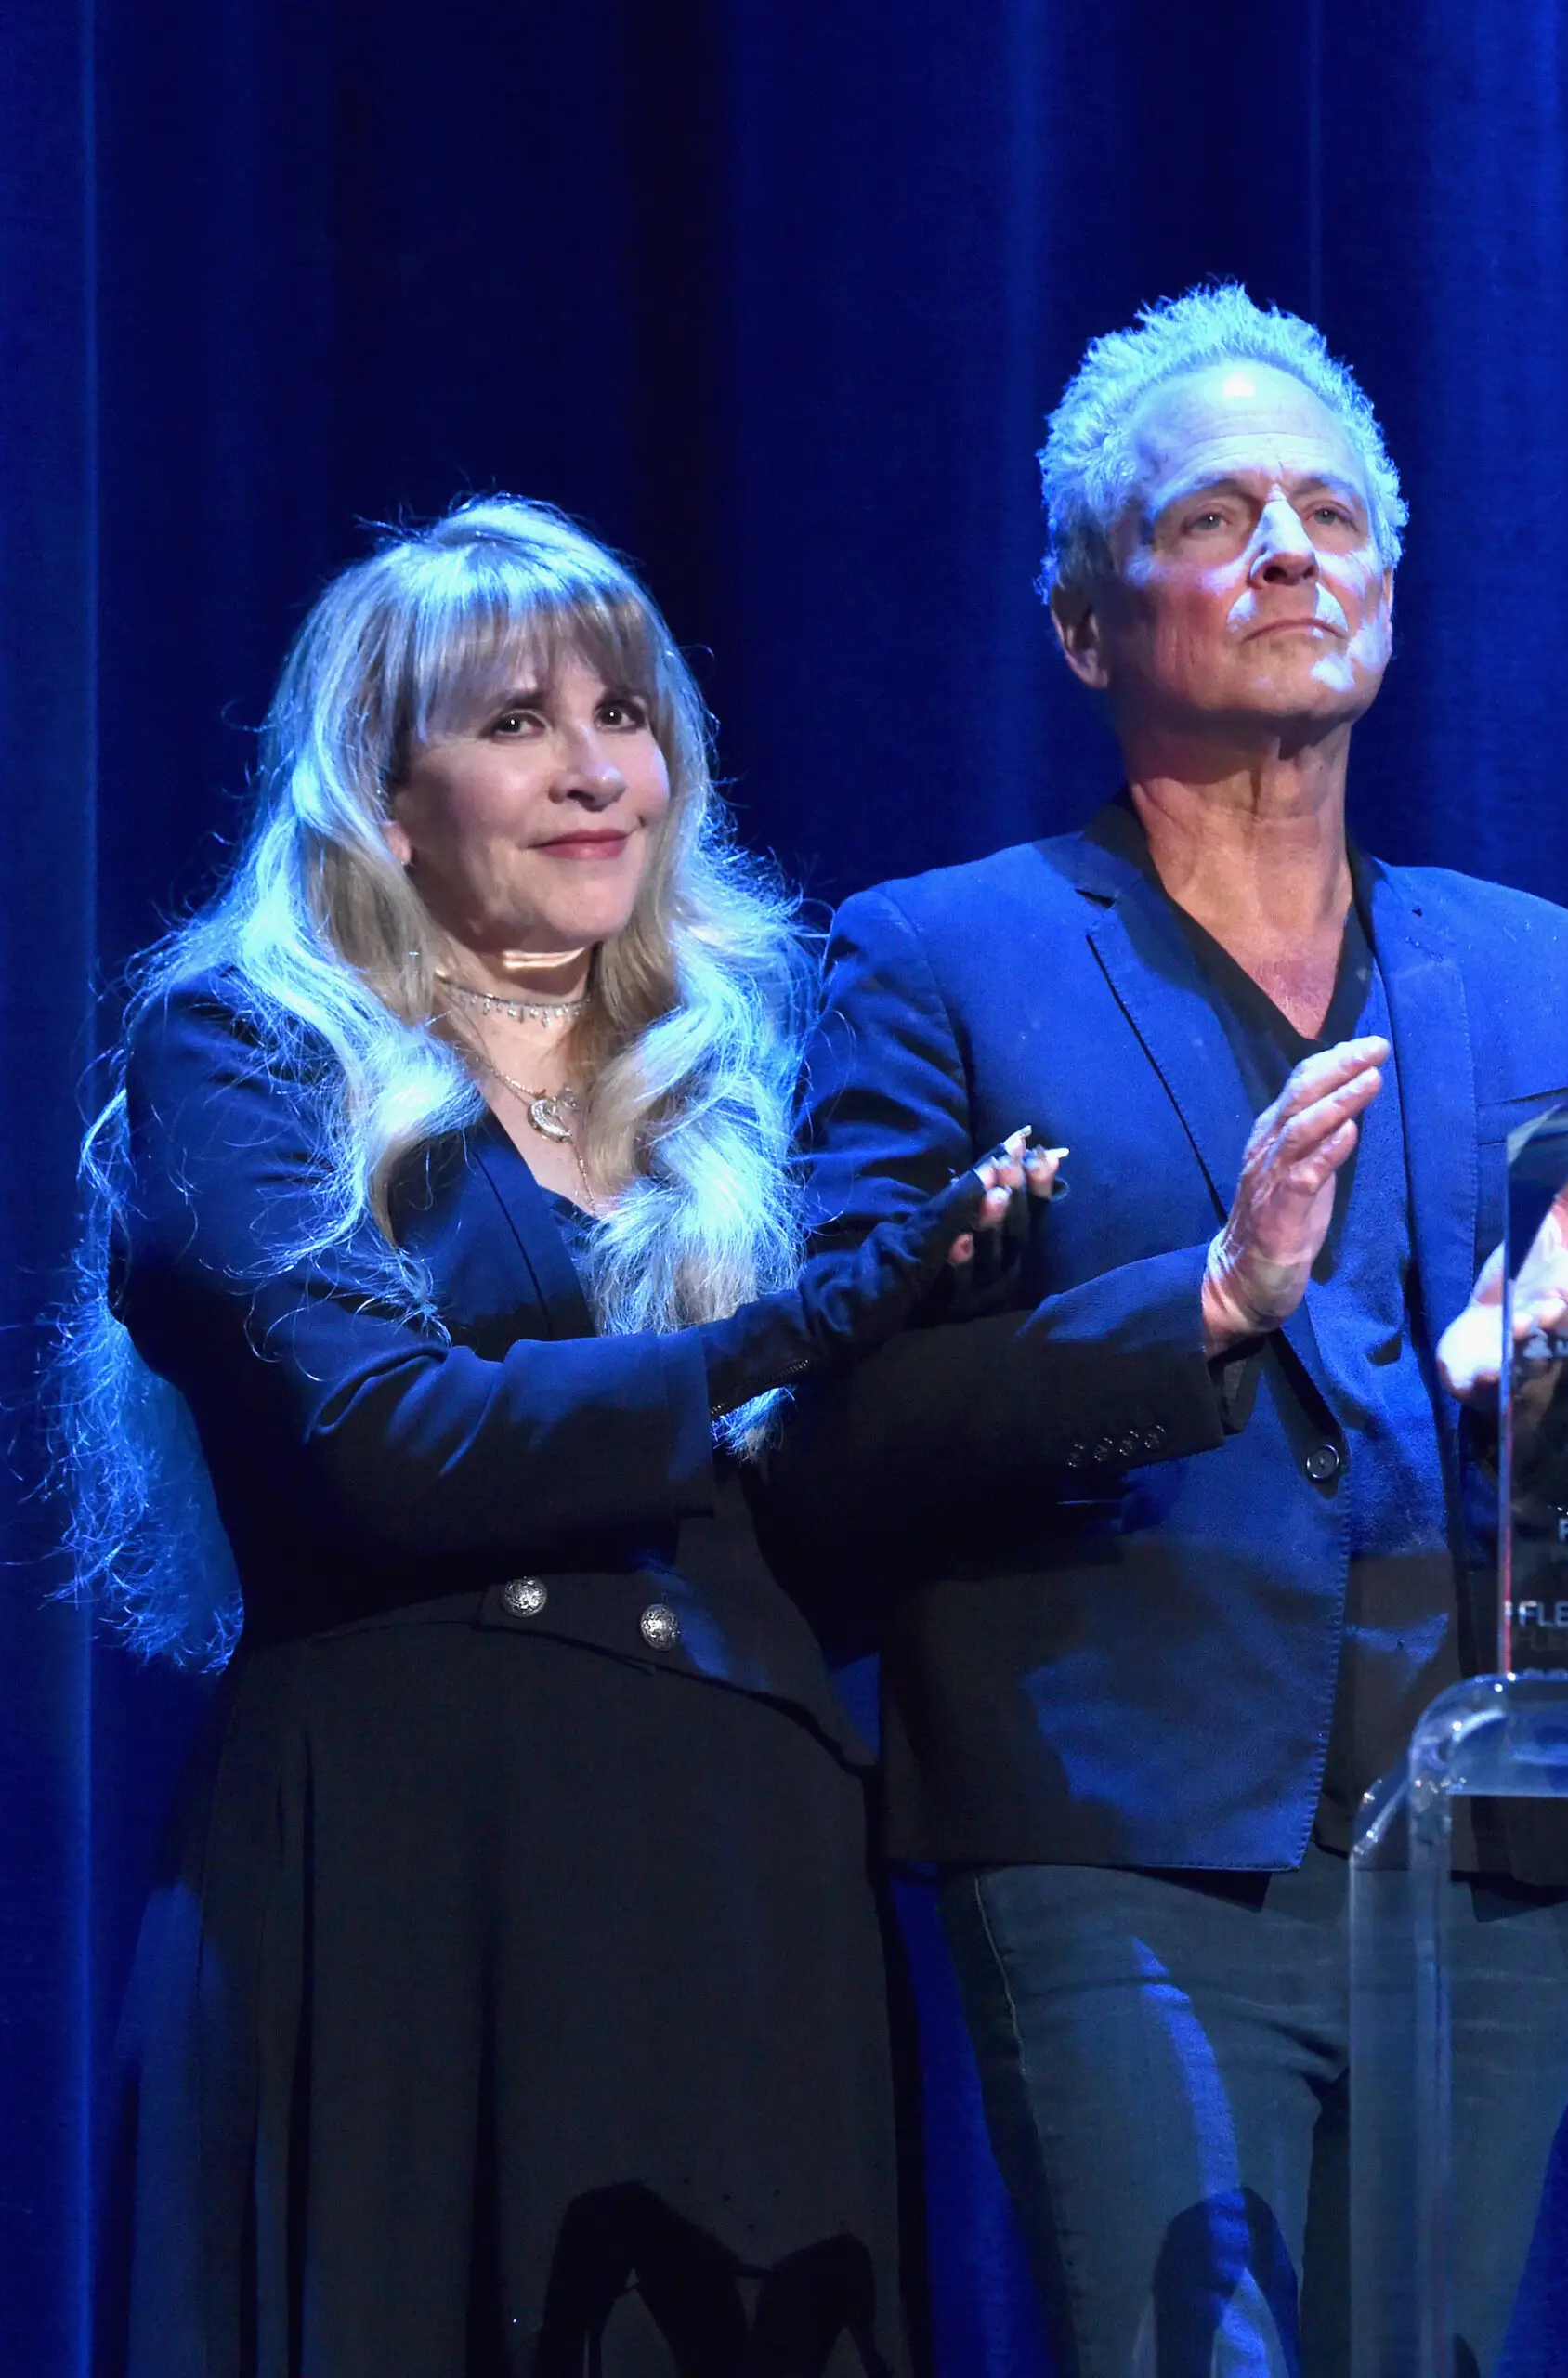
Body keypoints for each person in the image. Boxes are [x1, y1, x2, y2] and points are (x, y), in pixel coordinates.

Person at [761, 287, 1568, 2376]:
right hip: (1128, 1845)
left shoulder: (1548, 974)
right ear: (1088, 621)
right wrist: (1203, 1300)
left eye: (1331, 512)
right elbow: (838, 1430)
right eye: (1220, 515)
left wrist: (1555, 1384)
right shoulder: (939, 956)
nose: (1291, 550)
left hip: (1489, 1852)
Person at [61, 496, 1040, 2378]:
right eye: (516, 720)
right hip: (409, 1871)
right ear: (383, 788)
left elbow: (836, 1519)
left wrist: (1202, 1308)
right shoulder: (250, 1050)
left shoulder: (758, 1074)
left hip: (744, 1878)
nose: (601, 770)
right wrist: (797, 1327)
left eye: (628, 712)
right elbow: (381, 1435)